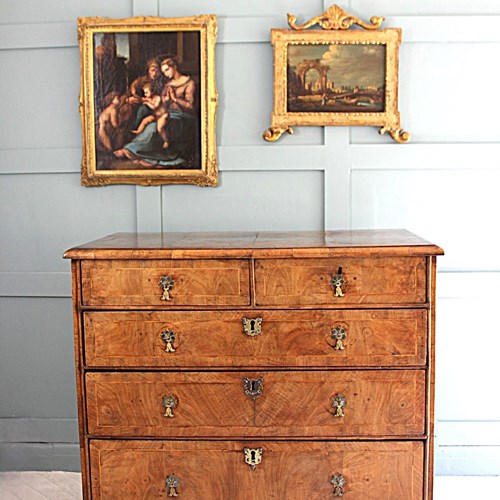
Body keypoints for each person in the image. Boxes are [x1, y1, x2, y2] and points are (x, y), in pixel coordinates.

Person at [114, 55, 198, 167]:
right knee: (148, 124)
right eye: (164, 72)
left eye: (167, 70)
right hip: (167, 114)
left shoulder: (188, 83)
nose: (166, 74)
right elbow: (162, 102)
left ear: (174, 67)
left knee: (153, 128)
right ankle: (131, 149)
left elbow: (190, 106)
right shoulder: (168, 84)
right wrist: (166, 100)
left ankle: (131, 150)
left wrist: (175, 99)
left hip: (183, 117)